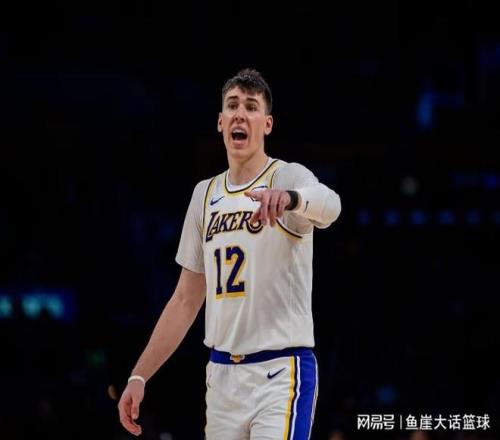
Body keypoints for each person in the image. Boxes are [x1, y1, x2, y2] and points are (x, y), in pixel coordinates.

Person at [118, 68, 342, 439]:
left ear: (267, 124)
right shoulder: (204, 195)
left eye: (251, 107)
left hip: (280, 371)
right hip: (222, 377)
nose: (241, 114)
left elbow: (331, 205)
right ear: (221, 121)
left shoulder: (284, 176)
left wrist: (290, 199)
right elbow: (185, 299)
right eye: (233, 105)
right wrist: (139, 375)